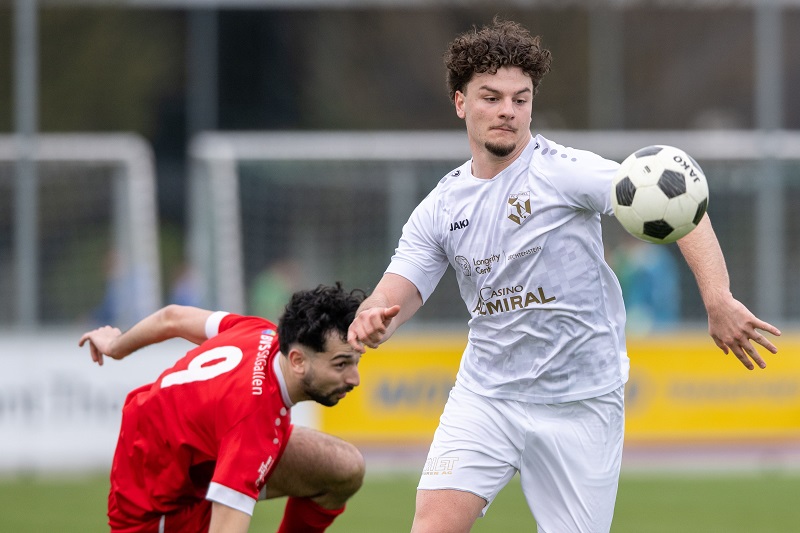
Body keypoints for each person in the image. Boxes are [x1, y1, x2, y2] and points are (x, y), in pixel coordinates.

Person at [347, 18, 781, 533]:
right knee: (433, 525)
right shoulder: (439, 208)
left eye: (521, 98)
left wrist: (718, 298)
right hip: (488, 396)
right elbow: (400, 288)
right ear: (461, 102)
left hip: (582, 401)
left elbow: (682, 206)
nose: (508, 110)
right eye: (491, 97)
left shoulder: (566, 171)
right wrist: (374, 319)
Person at [80, 283, 366, 533]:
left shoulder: (261, 331)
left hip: (189, 457)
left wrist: (116, 345)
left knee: (344, 467)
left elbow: (172, 318)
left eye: (355, 361)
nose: (355, 379)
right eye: (341, 364)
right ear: (298, 361)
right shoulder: (253, 425)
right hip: (157, 509)